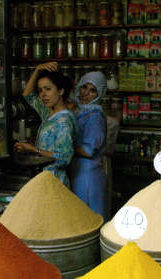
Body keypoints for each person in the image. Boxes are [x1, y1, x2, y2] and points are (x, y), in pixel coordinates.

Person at [14, 62, 77, 187]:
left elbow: (64, 158)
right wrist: (37, 70)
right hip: (44, 180)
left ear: (60, 90)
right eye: (40, 90)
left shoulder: (64, 121)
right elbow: (28, 95)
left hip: (56, 183)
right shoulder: (48, 112)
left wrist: (32, 149)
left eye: (48, 89)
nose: (43, 95)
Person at [70, 71, 108, 220]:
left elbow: (88, 150)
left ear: (99, 94)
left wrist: (63, 147)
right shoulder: (81, 111)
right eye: (84, 87)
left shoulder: (95, 116)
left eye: (93, 91)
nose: (86, 93)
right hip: (79, 172)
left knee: (89, 219)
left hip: (88, 176)